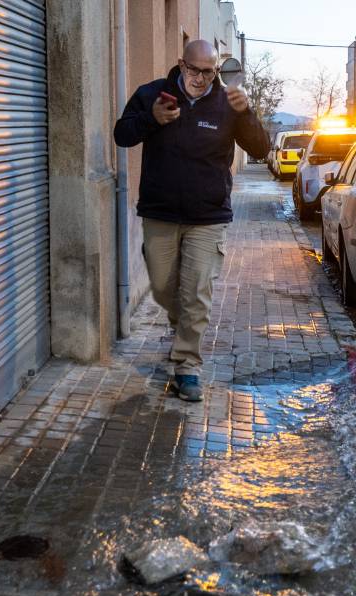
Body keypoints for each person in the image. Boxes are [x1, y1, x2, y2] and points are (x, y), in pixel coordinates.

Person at [114, 40, 270, 402]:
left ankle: (187, 367)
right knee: (164, 287)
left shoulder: (227, 103)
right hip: (160, 212)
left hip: (208, 215)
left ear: (218, 70)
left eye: (209, 72)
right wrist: (151, 119)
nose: (201, 78)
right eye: (194, 70)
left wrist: (246, 113)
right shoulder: (154, 94)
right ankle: (180, 323)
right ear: (181, 63)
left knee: (197, 291)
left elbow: (261, 150)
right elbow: (122, 134)